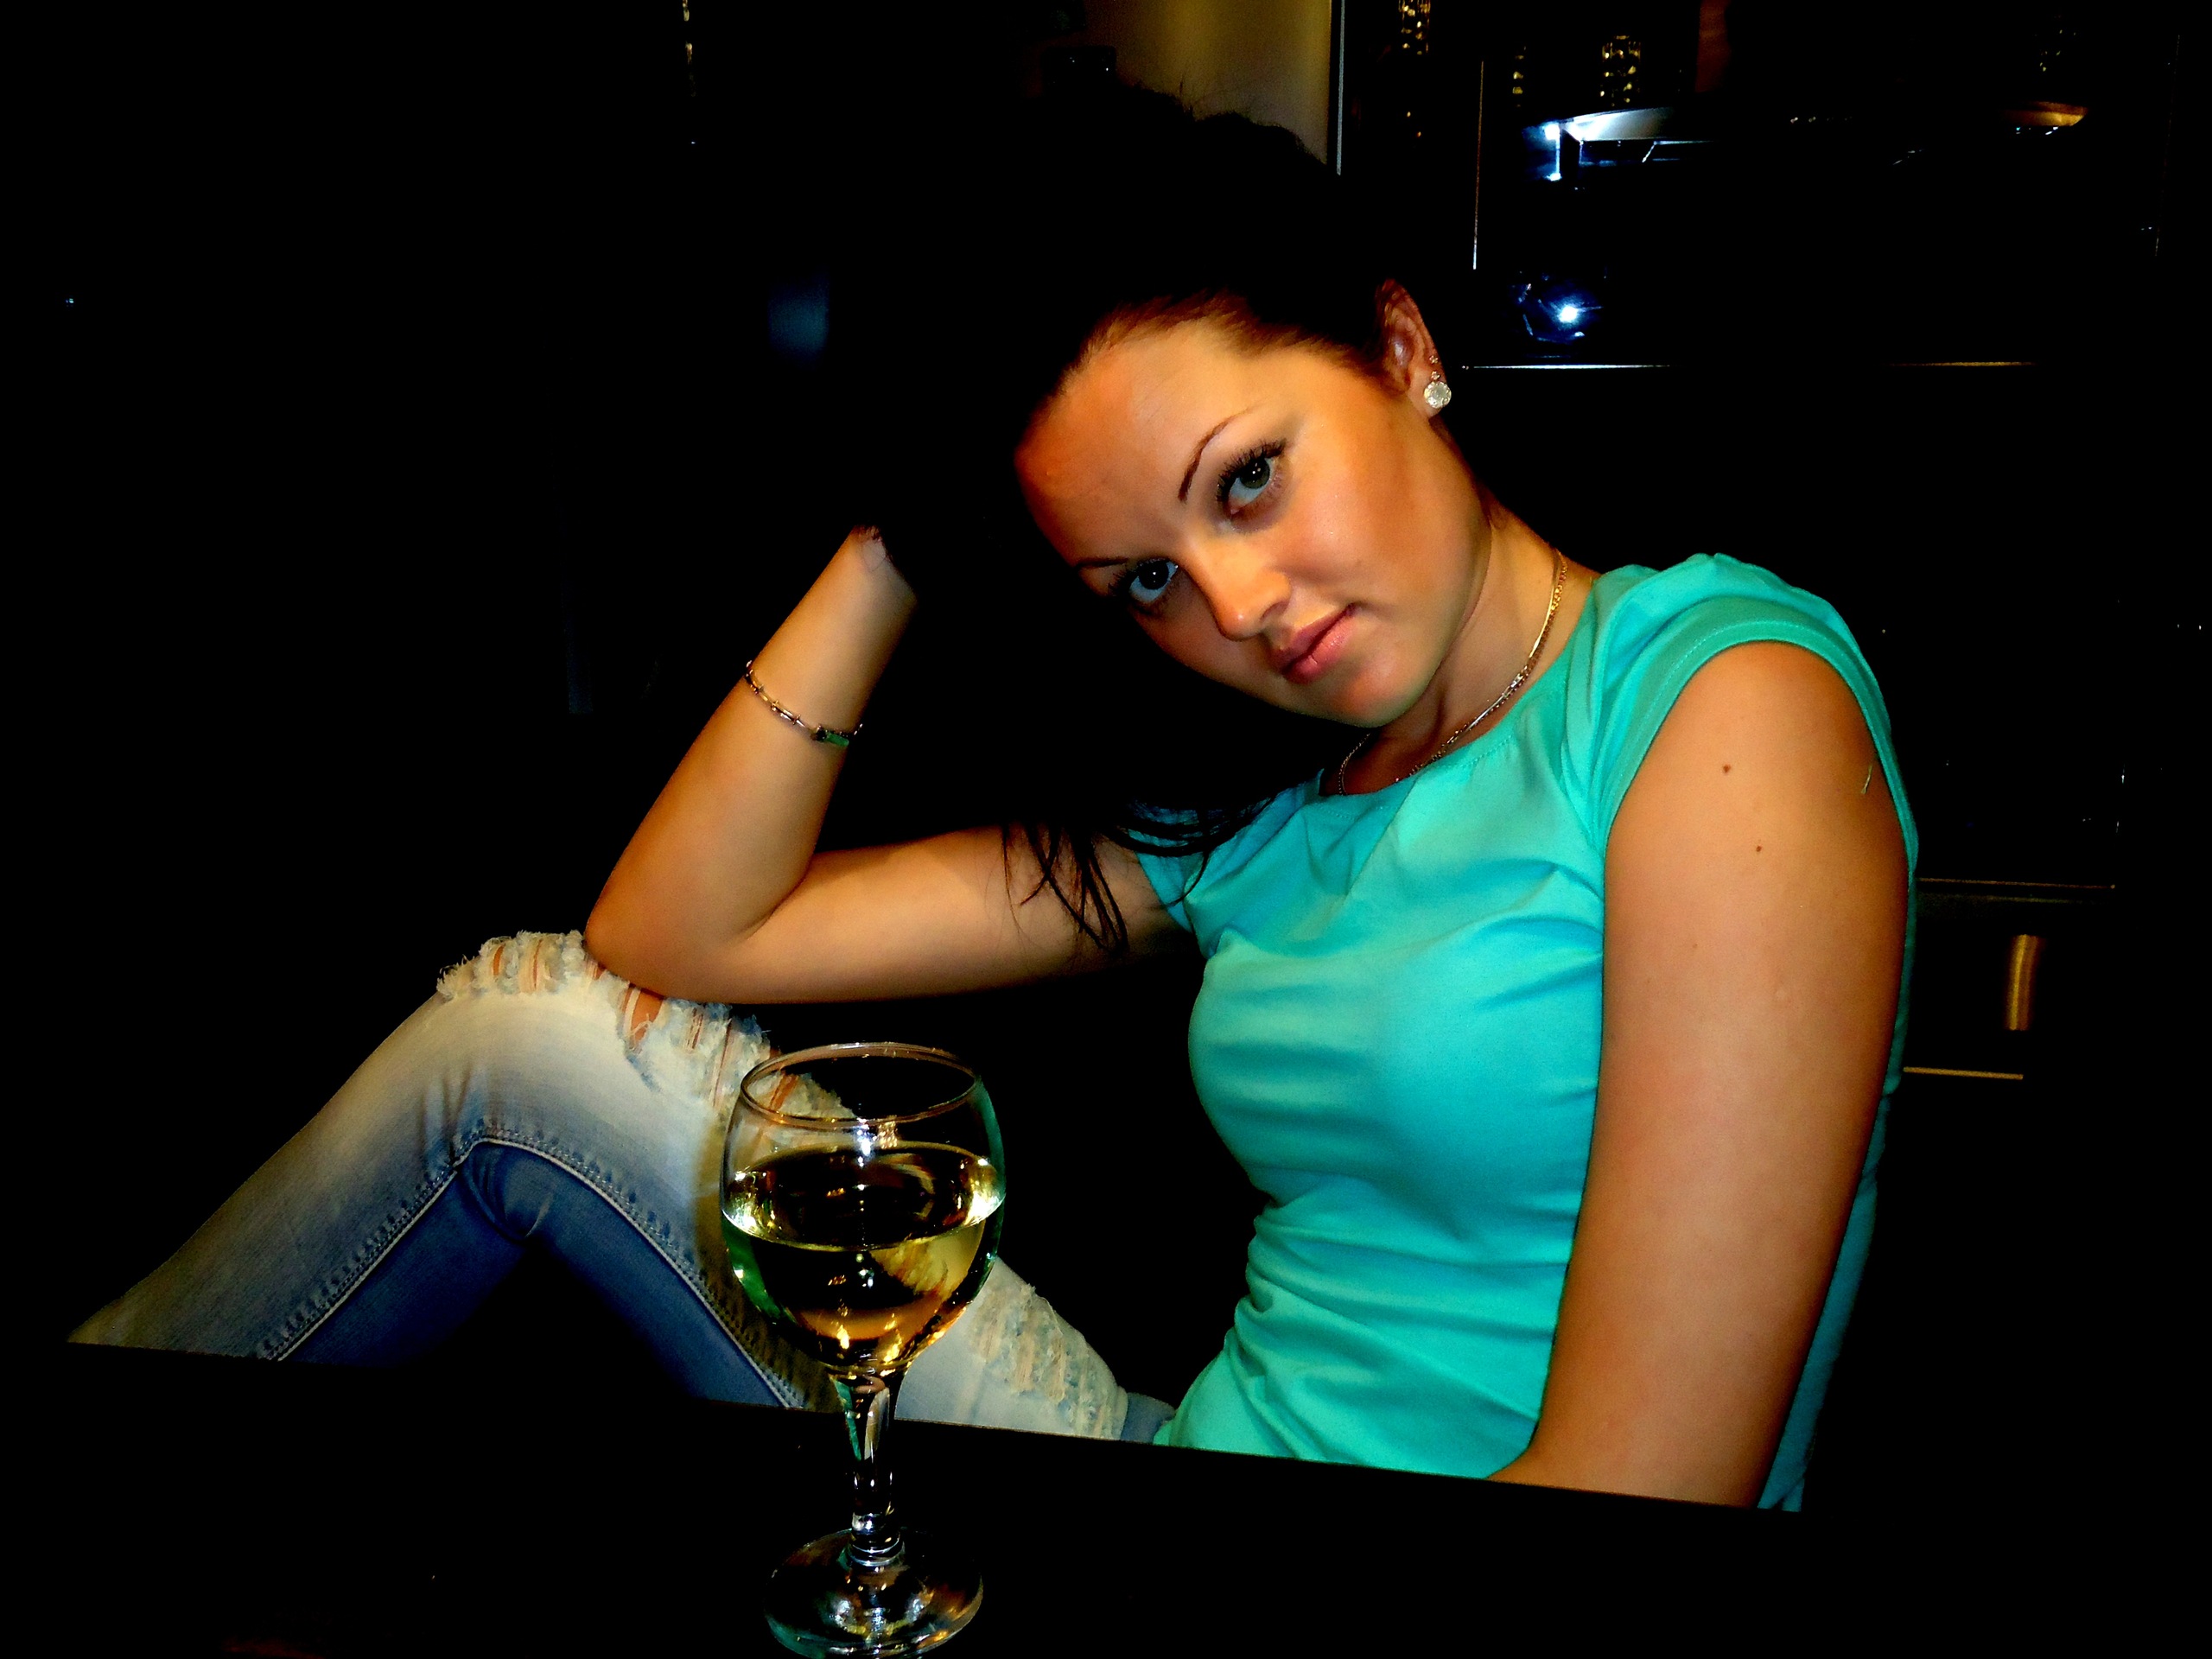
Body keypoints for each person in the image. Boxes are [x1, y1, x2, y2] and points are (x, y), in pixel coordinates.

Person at [73, 90, 1911, 1509]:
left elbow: (1645, 1494)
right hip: (1178, 1448)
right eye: (1143, 578)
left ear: (1401, 348)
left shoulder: (1705, 702)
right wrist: (900, 533)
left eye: (1249, 479)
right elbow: (676, 934)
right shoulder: (1265, 811)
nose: (1236, 608)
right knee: (527, 1031)